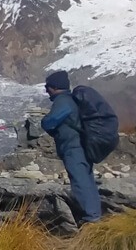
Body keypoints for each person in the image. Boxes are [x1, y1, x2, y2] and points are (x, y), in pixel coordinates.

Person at [41, 70, 101, 226]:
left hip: (73, 148)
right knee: (87, 180)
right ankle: (95, 215)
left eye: (47, 87)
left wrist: (44, 121)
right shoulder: (71, 100)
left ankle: (91, 218)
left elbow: (50, 121)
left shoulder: (63, 101)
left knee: (80, 181)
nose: (46, 90)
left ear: (54, 87)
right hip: (81, 146)